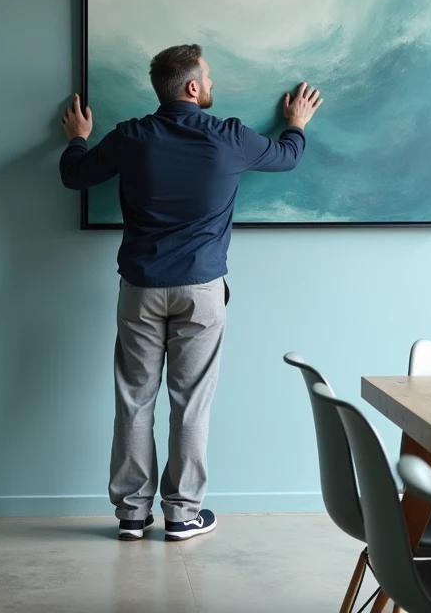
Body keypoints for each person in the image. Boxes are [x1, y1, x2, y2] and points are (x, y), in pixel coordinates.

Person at [58, 43, 323, 541]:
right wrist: (297, 122)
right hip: (201, 290)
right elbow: (287, 158)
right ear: (194, 86)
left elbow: (75, 176)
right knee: (191, 402)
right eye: (209, 77)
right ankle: (181, 514)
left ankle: (133, 516)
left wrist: (77, 138)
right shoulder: (230, 138)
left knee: (134, 401)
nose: (214, 84)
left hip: (139, 288)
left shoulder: (131, 136)